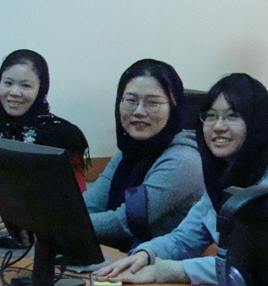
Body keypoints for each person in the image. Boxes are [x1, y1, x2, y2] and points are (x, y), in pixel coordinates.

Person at [95, 73, 268, 285]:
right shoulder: (220, 175)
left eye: (232, 116)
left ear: (256, 122)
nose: (218, 127)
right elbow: (184, 239)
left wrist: (167, 271)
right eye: (210, 116)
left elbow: (264, 265)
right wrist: (145, 255)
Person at [79, 59, 204, 253]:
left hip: (160, 266)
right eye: (130, 101)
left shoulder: (184, 160)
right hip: (123, 259)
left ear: (173, 107)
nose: (138, 112)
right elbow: (90, 206)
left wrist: (61, 224)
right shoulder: (129, 150)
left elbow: (123, 223)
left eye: (152, 103)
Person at [0, 49, 91, 189]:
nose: (14, 92)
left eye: (25, 86)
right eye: (8, 83)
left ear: (41, 89)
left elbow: (75, 194)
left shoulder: (64, 134)